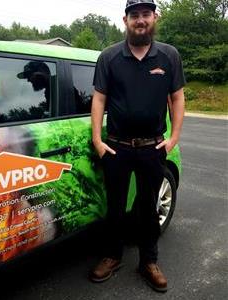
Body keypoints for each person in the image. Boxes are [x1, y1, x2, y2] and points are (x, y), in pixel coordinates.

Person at [89, 0, 185, 293]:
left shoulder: (169, 56)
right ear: (125, 20)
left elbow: (178, 97)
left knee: (147, 208)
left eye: (145, 14)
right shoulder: (109, 57)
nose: (140, 20)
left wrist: (174, 136)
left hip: (153, 148)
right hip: (116, 147)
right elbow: (99, 99)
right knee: (115, 207)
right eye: (134, 15)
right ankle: (112, 256)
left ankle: (149, 261)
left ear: (154, 17)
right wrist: (97, 139)